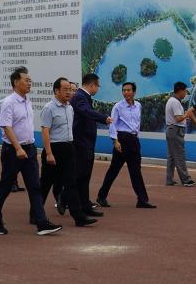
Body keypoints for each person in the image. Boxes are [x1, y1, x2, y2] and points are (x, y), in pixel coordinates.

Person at [0, 67, 62, 236]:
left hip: (29, 149)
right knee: (5, 186)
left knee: (35, 187)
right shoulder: (8, 102)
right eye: (26, 80)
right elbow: (6, 126)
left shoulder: (27, 101)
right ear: (16, 82)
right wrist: (17, 148)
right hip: (13, 151)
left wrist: (27, 147)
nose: (30, 83)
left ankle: (41, 223)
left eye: (30, 80)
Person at [40, 77, 96, 227]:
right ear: (56, 91)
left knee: (71, 184)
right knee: (45, 184)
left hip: (69, 148)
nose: (69, 92)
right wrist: (49, 153)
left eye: (71, 90)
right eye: (65, 89)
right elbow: (45, 131)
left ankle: (79, 217)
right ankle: (36, 213)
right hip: (54, 148)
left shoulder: (70, 108)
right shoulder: (49, 108)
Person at [96, 82, 156, 209]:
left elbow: (137, 123)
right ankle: (101, 197)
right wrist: (115, 141)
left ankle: (142, 200)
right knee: (114, 170)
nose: (126, 92)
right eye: (124, 90)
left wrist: (137, 137)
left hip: (134, 140)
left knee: (136, 171)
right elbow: (112, 124)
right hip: (122, 140)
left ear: (134, 92)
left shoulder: (138, 105)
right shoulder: (118, 106)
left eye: (129, 90)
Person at [71, 73, 111, 217]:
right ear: (92, 85)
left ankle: (85, 205)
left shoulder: (84, 97)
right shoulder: (80, 97)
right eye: (98, 86)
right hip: (81, 143)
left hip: (86, 142)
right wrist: (103, 118)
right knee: (81, 175)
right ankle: (69, 199)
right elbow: (86, 112)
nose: (98, 89)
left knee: (85, 175)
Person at [165, 81, 196, 187]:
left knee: (172, 157)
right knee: (179, 155)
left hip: (171, 130)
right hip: (176, 130)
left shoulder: (172, 100)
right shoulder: (175, 102)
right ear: (180, 91)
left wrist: (184, 118)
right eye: (185, 91)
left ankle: (169, 179)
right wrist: (186, 114)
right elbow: (178, 118)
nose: (185, 94)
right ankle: (186, 179)